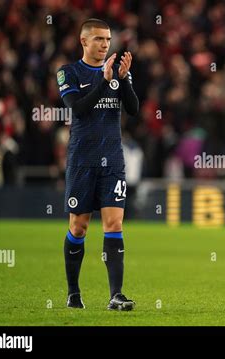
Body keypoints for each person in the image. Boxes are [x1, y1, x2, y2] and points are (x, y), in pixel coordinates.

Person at [57, 18, 139, 310]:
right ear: (84, 41)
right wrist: (104, 81)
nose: (105, 45)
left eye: (108, 39)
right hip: (82, 160)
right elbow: (78, 109)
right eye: (99, 39)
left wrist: (124, 80)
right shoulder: (68, 73)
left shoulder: (117, 71)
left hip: (113, 160)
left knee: (114, 223)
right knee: (79, 227)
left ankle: (115, 295)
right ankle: (73, 293)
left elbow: (133, 109)